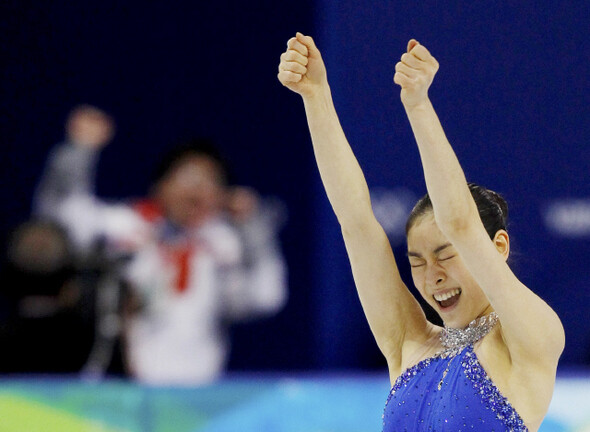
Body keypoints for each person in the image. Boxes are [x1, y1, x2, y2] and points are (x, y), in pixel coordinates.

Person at [278, 33, 564, 431]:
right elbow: (356, 221)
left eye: (446, 255)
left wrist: (418, 105)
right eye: (417, 262)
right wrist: (315, 96)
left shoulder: (530, 339)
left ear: (498, 246)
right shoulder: (408, 343)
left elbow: (460, 224)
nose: (433, 276)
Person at [34, 105, 288, 385]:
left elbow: (266, 297)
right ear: (160, 186)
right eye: (187, 178)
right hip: (119, 389)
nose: (196, 191)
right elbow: (59, 223)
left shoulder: (223, 245)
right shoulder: (129, 226)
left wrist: (255, 232)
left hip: (197, 399)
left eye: (209, 182)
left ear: (221, 196)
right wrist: (78, 152)